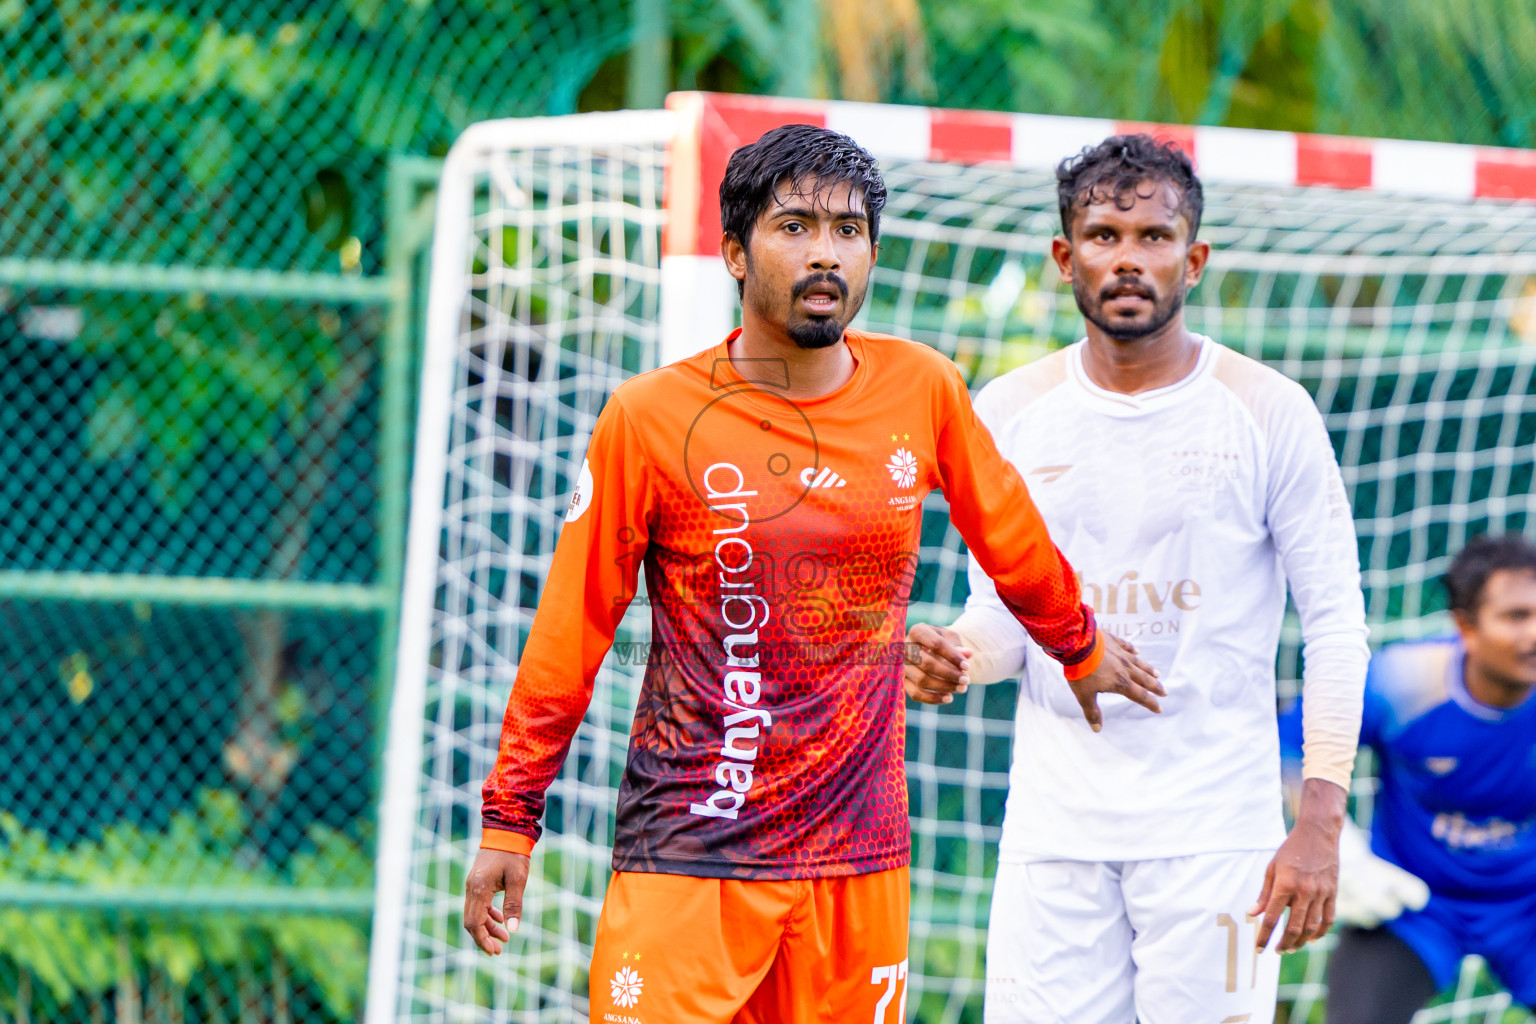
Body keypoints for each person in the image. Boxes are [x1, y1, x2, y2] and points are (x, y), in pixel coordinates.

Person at [460, 123, 1161, 1023]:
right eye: (793, 226)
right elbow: (571, 632)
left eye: (847, 229)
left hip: (857, 863)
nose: (824, 252)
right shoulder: (649, 416)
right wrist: (511, 817)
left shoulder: (925, 389)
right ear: (734, 253)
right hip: (689, 856)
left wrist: (1078, 645)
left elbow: (1014, 537)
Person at [901, 134, 1370, 1024]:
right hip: (1055, 832)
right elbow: (1005, 617)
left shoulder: (1269, 411)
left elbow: (1338, 625)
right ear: (1063, 255)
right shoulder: (1007, 411)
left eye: (1153, 237)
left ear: (1193, 259)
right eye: (1104, 233)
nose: (1128, 258)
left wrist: (1318, 821)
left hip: (1215, 835)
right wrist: (958, 656)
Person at [1279, 534, 1536, 1024]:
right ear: (1466, 626)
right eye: (1516, 616)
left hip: (1527, 904)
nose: (1535, 632)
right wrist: (1340, 850)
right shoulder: (1403, 682)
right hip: (1413, 903)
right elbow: (1289, 746)